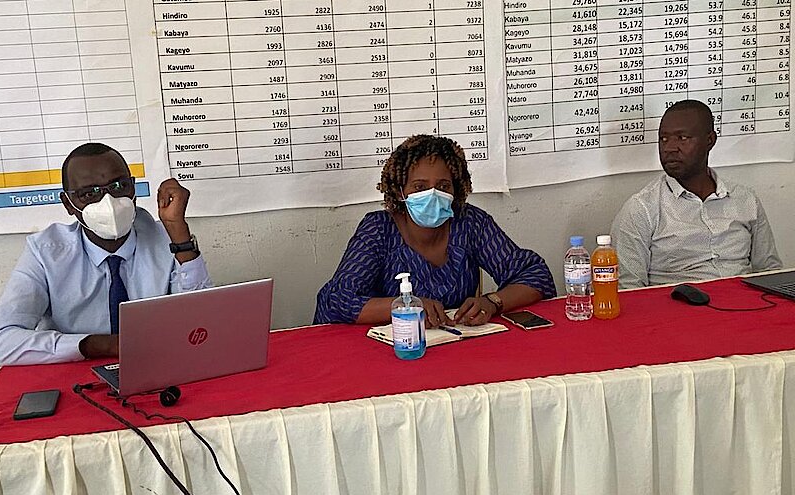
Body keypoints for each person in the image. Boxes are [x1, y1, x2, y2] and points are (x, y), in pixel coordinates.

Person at [0, 142, 211, 365]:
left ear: (133, 188)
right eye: (89, 193)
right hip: (75, 371)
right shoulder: (45, 253)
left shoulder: (167, 237)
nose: (109, 202)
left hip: (157, 364)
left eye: (119, 186)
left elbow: (203, 323)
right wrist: (97, 344)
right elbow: (0, 341)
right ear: (68, 204)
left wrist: (178, 231)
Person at [314, 134, 556, 327]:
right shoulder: (379, 229)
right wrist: (407, 307)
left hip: (454, 344)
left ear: (456, 189)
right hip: (394, 348)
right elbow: (336, 301)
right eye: (419, 187)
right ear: (400, 191)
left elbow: (536, 275)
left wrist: (492, 302)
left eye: (443, 186)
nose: (432, 194)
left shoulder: (469, 222)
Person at [610, 99, 781, 288]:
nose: (669, 148)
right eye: (663, 139)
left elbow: (770, 272)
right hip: (679, 304)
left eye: (682, 138)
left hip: (744, 301)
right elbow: (628, 290)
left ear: (710, 141)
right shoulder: (642, 209)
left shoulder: (746, 200)